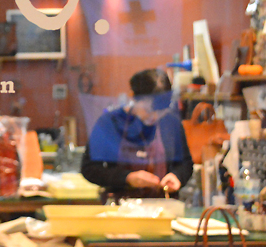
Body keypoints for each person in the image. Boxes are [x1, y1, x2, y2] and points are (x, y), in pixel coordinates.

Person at [81, 68, 193, 199]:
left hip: (163, 206)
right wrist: (127, 178)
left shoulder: (171, 123)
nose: (154, 117)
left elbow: (185, 163)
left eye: (160, 112)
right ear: (133, 98)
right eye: (147, 110)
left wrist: (176, 176)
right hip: (120, 206)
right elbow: (89, 168)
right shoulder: (110, 123)